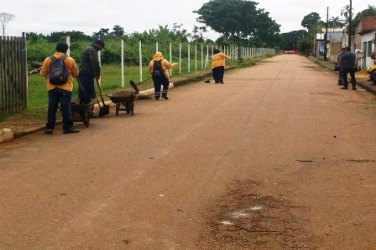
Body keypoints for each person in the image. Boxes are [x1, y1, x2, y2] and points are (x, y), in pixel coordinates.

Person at [40, 42, 80, 134]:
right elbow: (76, 74)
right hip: (66, 87)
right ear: (66, 50)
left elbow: (42, 74)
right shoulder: (70, 60)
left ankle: (49, 128)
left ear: (56, 48)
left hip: (52, 87)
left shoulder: (48, 59)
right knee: (66, 108)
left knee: (52, 108)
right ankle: (67, 127)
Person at [78, 40, 105, 106]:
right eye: (101, 47)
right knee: (89, 92)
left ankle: (83, 108)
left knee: (83, 91)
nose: (100, 49)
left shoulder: (87, 49)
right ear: (97, 45)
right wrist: (98, 73)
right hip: (87, 73)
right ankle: (87, 109)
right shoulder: (92, 50)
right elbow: (95, 63)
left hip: (82, 72)